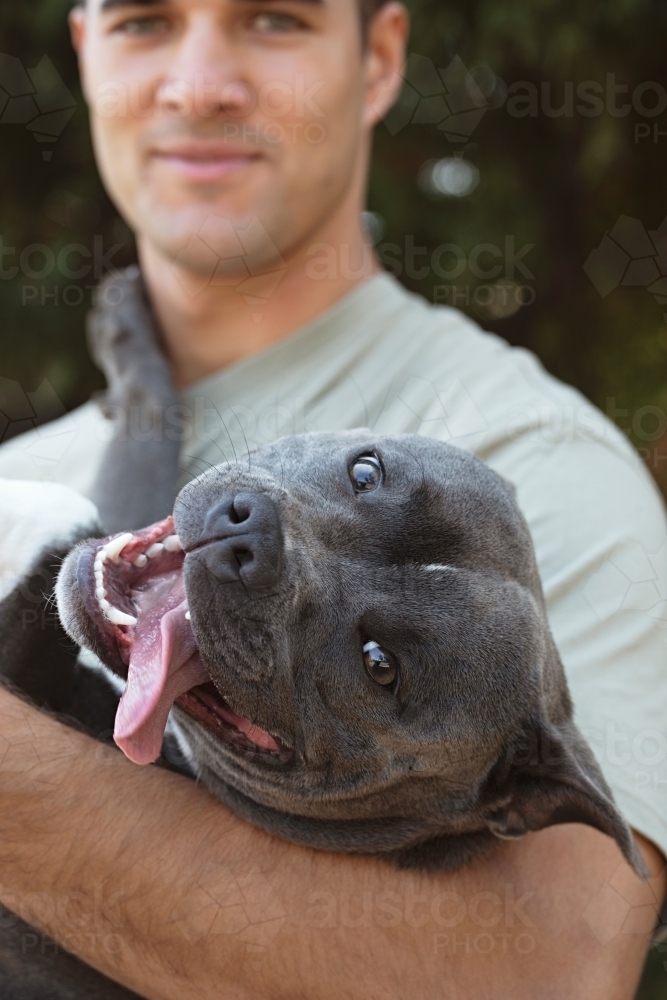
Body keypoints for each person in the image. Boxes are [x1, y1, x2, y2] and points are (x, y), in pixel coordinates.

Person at [1, 0, 666, 996]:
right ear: (85, 48)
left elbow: (543, 976)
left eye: (273, 19)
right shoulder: (40, 461)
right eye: (144, 20)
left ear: (381, 57)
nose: (200, 82)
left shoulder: (531, 446)